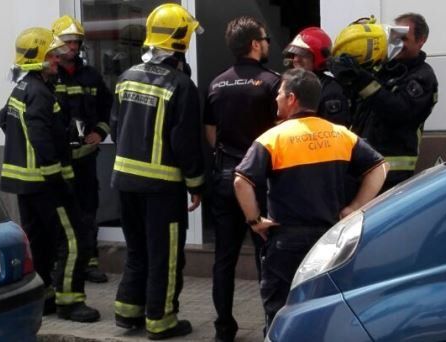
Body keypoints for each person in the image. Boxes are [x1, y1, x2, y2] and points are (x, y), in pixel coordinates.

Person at [233, 68, 388, 333]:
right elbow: (380, 167)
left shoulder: (272, 138)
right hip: (329, 240)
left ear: (292, 99)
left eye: (280, 94)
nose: (277, 99)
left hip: (286, 243)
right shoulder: (340, 134)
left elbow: (241, 181)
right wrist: (354, 208)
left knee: (281, 313)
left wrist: (255, 220)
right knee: (324, 311)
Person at [109, 3, 205, 340]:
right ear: (179, 40)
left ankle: (126, 312)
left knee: (136, 250)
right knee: (164, 255)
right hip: (162, 188)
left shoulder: (125, 77)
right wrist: (196, 183)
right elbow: (186, 143)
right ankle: (161, 321)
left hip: (124, 183)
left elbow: (115, 128)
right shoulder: (180, 85)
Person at [0, 27, 99, 323]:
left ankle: (45, 297)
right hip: (46, 184)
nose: (57, 60)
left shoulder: (21, 87)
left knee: (40, 243)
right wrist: (58, 180)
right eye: (52, 56)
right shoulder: (40, 93)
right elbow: (42, 139)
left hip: (25, 184)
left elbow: (3, 119)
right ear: (37, 59)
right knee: (74, 239)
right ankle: (70, 301)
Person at [203, 16, 279, 342]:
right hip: (260, 181)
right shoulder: (273, 82)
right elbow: (282, 133)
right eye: (265, 39)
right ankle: (270, 327)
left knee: (224, 258)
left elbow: (211, 133)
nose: (267, 45)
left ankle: (223, 330)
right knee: (266, 257)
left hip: (225, 176)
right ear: (253, 44)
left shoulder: (216, 83)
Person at [330, 13, 438, 192]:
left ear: (421, 41)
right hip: (361, 168)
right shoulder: (382, 68)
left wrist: (361, 78)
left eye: (404, 38)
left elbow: (399, 112)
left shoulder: (422, 77)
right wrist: (344, 74)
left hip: (392, 175)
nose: (397, 44)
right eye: (394, 37)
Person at [51, 15, 114, 283]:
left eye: (77, 42)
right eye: (68, 42)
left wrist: (100, 132)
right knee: (62, 213)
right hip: (59, 160)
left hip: (86, 160)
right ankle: (62, 262)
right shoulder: (49, 75)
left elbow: (106, 107)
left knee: (89, 210)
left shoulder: (91, 75)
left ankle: (89, 261)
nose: (73, 47)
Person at [283, 27, 350, 126]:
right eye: (294, 55)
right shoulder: (291, 86)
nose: (296, 60)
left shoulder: (331, 91)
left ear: (318, 57)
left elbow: (334, 133)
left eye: (303, 54)